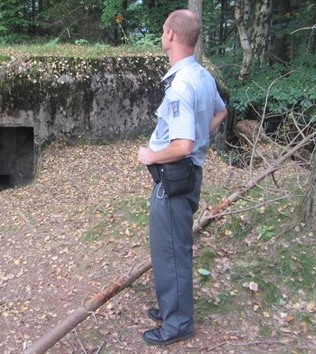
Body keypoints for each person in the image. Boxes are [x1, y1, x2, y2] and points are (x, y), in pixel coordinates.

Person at [137, 9, 228, 346]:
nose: (162, 34)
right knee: (173, 246)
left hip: (174, 177)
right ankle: (171, 306)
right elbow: (221, 110)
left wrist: (150, 155)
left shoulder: (181, 85)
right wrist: (199, 134)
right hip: (188, 175)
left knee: (170, 250)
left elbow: (182, 145)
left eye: (163, 30)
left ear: (172, 35)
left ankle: (177, 324)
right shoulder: (202, 76)